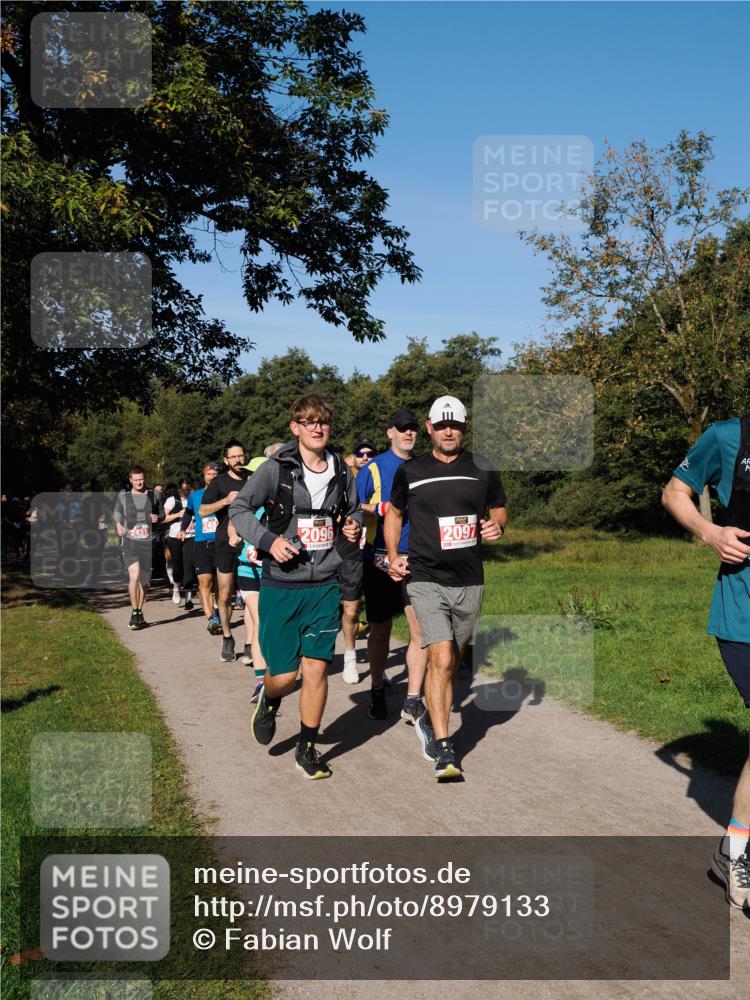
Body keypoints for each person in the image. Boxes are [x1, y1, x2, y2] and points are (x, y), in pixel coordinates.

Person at [230, 393, 362, 779]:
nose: (317, 428)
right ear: (295, 428)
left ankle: (307, 747)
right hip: (282, 585)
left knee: (317, 670)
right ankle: (270, 701)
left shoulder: (341, 469)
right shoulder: (275, 469)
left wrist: (352, 525)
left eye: (323, 421)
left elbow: (352, 510)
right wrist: (268, 542)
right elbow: (238, 509)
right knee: (286, 676)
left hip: (324, 584)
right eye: (309, 422)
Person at [386, 395, 508, 780]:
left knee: (453, 660)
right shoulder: (411, 470)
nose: (448, 431)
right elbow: (395, 512)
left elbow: (499, 506)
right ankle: (444, 745)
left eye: (454, 424)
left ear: (465, 426)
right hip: (424, 577)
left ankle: (427, 716)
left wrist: (498, 525)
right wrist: (392, 554)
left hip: (469, 579)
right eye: (441, 425)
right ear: (429, 428)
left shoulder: (482, 468)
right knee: (439, 657)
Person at [662, 414, 750, 910]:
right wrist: (709, 531)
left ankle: (732, 847)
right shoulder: (727, 437)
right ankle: (737, 851)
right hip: (744, 611)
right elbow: (674, 492)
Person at [357, 409, 428, 721]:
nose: (408, 434)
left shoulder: (426, 467)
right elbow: (353, 509)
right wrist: (378, 507)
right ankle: (376, 687)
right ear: (390, 433)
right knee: (381, 629)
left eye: (412, 429)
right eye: (402, 429)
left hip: (417, 559)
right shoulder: (373, 468)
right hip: (380, 560)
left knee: (420, 629)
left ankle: (413, 698)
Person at [199, 441, 249, 661]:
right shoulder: (219, 482)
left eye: (241, 456)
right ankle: (227, 637)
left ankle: (250, 642)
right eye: (234, 457)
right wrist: (224, 501)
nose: (239, 460)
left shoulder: (252, 478)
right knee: (225, 594)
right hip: (224, 544)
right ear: (226, 460)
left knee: (250, 596)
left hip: (251, 543)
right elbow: (202, 511)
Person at [338, 437, 375, 685]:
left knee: (377, 615)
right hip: (347, 552)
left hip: (375, 550)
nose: (365, 457)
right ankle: (350, 658)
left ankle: (378, 667)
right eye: (360, 453)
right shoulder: (344, 479)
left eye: (370, 453)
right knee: (350, 610)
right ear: (353, 457)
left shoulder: (381, 478)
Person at [113, 466, 165, 629]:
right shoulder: (124, 496)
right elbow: (117, 514)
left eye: (141, 479)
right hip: (130, 541)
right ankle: (134, 612)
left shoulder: (154, 495)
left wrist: (158, 517)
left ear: (145, 478)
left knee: (144, 581)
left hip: (148, 542)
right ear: (130, 480)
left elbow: (162, 514)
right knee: (134, 575)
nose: (139, 482)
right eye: (135, 480)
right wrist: (118, 525)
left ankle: (139, 611)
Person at [181, 462, 221, 634]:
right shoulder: (195, 496)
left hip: (221, 544)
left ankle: (219, 610)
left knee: (220, 584)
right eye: (208, 474)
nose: (211, 477)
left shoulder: (225, 494)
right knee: (205, 581)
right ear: (204, 476)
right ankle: (211, 618)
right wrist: (183, 528)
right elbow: (189, 512)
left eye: (214, 474)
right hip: (201, 544)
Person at [163, 479, 192, 605]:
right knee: (178, 565)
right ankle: (176, 587)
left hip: (192, 535)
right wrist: (178, 514)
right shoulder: (172, 500)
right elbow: (163, 519)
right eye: (183, 489)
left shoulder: (195, 498)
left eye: (188, 489)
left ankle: (189, 595)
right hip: (175, 536)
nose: (186, 492)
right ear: (179, 489)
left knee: (189, 565)